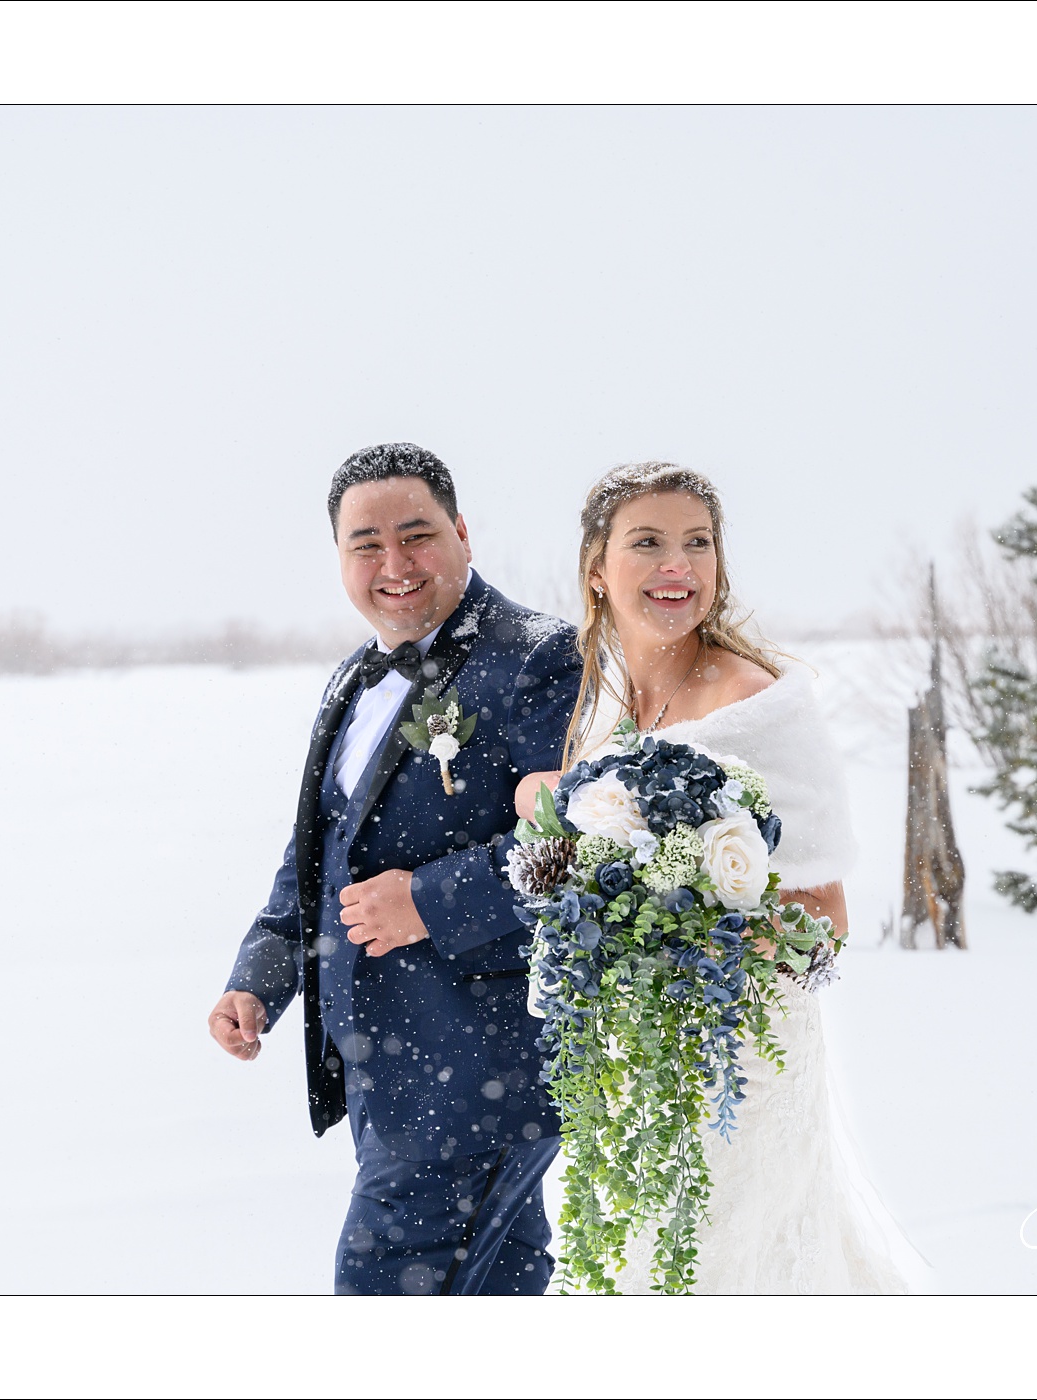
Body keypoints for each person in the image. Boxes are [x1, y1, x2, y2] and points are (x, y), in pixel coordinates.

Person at [514, 460, 925, 1293]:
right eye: (649, 544)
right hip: (635, 1067)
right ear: (598, 571)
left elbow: (827, 920)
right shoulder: (608, 711)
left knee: (730, 1269)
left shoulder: (757, 703)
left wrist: (692, 927)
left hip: (741, 1064)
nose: (678, 566)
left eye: (697, 544)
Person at [209, 443, 583, 1295]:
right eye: (365, 544)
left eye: (415, 535)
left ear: (462, 533)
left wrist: (429, 899)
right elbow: (314, 857)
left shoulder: (540, 659)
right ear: (339, 558)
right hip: (389, 1072)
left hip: (479, 1076)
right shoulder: (353, 678)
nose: (394, 564)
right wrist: (259, 981)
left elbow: (586, 852)